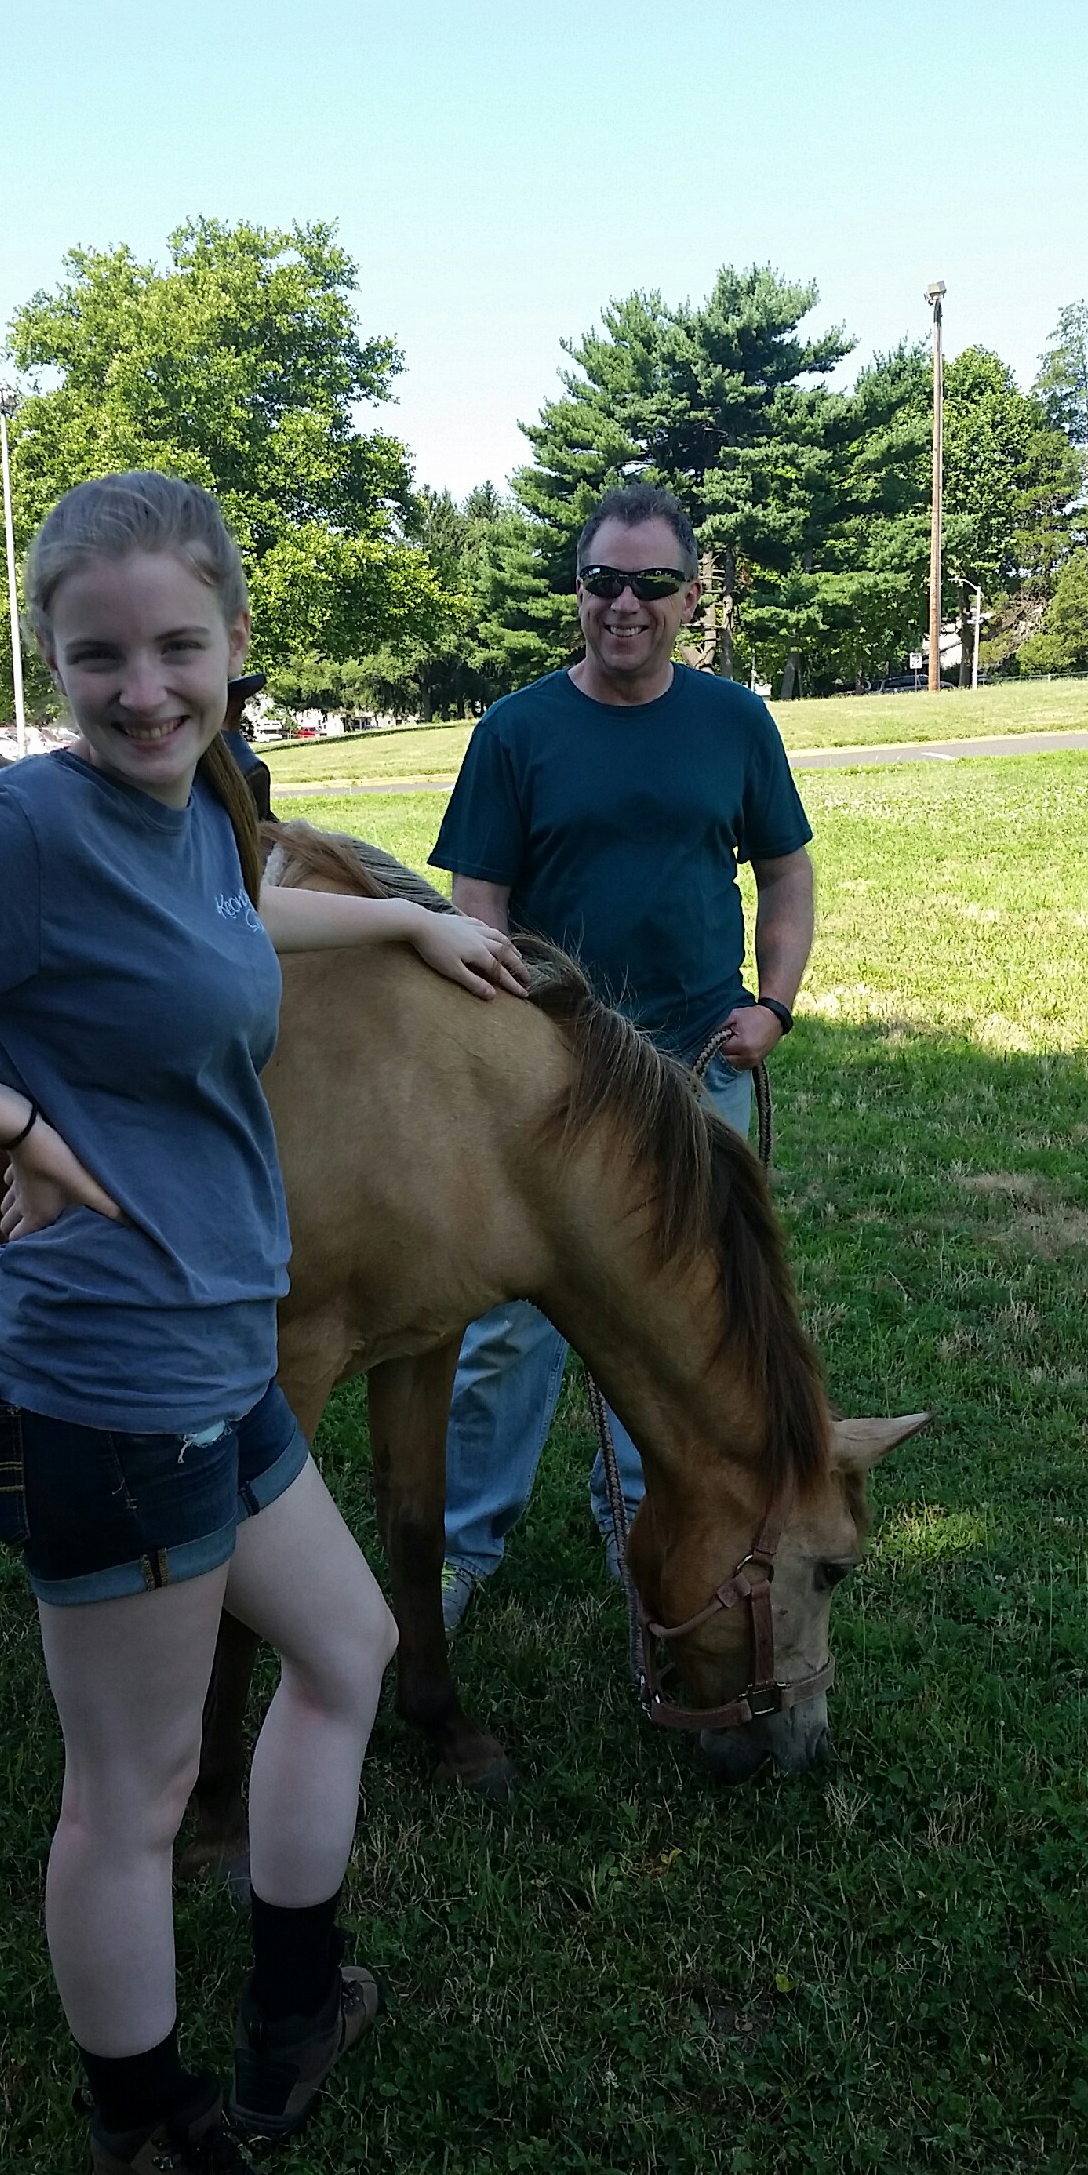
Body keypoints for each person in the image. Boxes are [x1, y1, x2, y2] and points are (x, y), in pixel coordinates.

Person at [0, 472, 527, 2175]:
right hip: (104, 1381)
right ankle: (142, 2150)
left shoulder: (199, 806)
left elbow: (231, 924)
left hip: (217, 1352)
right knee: (133, 1794)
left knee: (348, 1650)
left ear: (236, 646)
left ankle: (294, 2003)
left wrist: (405, 926)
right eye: (99, 658)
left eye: (180, 648)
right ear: (54, 661)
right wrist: (9, 1115)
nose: (143, 688)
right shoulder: (20, 834)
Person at [428, 481, 815, 1631]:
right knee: (510, 1327)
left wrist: (775, 1005)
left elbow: (785, 870)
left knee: (680, 1318)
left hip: (699, 1067)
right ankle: (460, 1549)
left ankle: (644, 1526)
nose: (626, 603)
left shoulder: (735, 722)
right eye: (604, 580)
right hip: (559, 1081)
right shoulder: (516, 731)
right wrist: (507, 1027)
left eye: (652, 582)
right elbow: (478, 898)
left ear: (691, 597)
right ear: (578, 591)